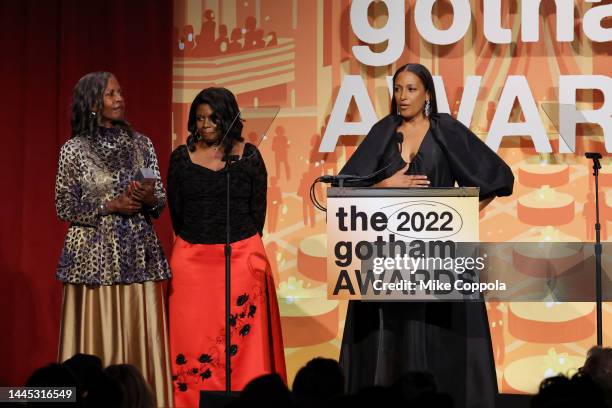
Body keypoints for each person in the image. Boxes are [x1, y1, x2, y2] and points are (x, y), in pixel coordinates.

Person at [338, 63, 514, 408]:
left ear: (428, 94)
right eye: (398, 89)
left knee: (439, 341)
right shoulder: (383, 132)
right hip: (387, 258)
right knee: (390, 342)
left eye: (411, 89)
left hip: (440, 256)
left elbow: (498, 178)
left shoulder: (444, 130)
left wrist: (461, 215)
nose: (402, 97)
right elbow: (344, 189)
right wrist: (384, 185)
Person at [55, 71, 173, 407]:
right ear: (92, 103)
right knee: (97, 336)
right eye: (110, 94)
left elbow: (160, 202)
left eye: (120, 92)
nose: (119, 99)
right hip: (93, 257)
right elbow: (64, 205)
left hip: (138, 254)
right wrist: (109, 204)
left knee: (140, 334)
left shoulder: (142, 144)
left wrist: (147, 196)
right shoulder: (74, 150)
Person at [167, 87, 286, 407]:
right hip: (191, 263)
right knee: (192, 344)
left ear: (228, 118)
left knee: (244, 347)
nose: (205, 125)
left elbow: (257, 211)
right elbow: (176, 213)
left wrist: (237, 244)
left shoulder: (248, 155)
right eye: (199, 118)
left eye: (213, 118)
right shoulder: (180, 158)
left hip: (241, 259)